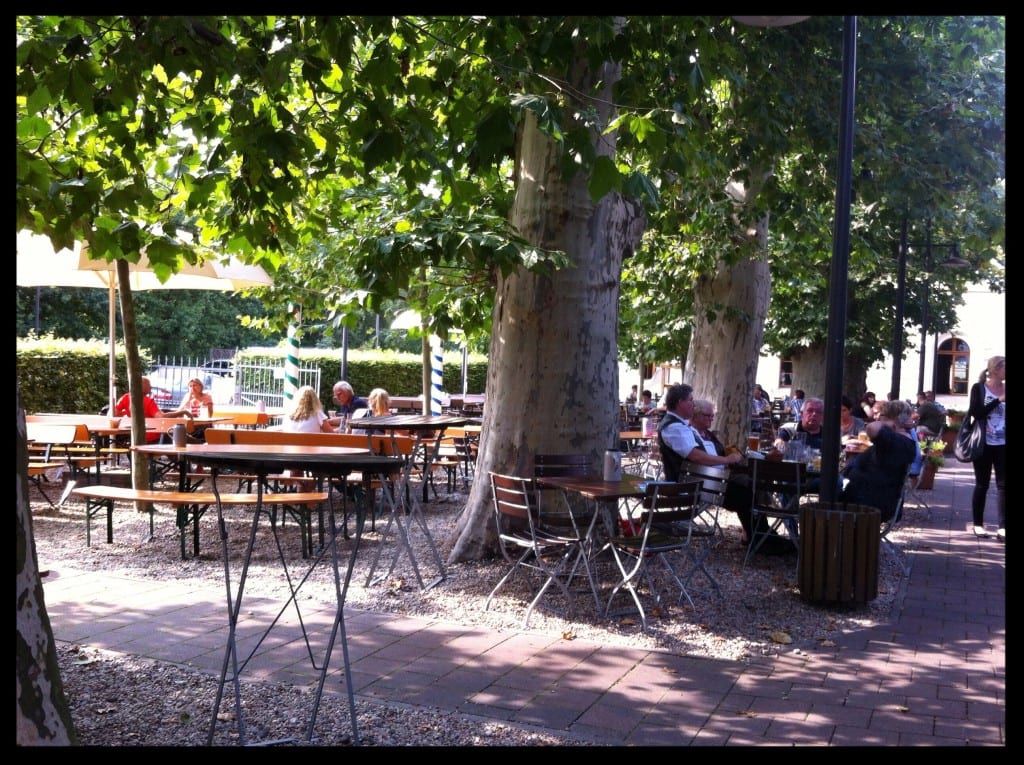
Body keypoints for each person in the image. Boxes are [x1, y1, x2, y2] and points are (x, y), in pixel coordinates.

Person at [839, 399, 919, 523]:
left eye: (881, 416)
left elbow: (872, 428)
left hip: (871, 502)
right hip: (871, 496)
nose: (878, 419)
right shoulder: (898, 439)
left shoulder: (896, 441)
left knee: (827, 492)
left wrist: (888, 422)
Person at [967, 355, 1005, 540]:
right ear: (996, 369)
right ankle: (978, 524)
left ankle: (1002, 527)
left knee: (1003, 485)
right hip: (983, 442)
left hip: (1003, 444)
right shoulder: (979, 388)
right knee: (982, 484)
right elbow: (977, 413)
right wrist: (999, 400)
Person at [113, 376, 177, 443]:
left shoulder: (125, 397)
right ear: (140, 385)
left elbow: (113, 413)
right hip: (150, 437)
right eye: (148, 384)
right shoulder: (148, 401)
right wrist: (181, 412)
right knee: (172, 435)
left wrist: (125, 413)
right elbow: (161, 417)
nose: (151, 387)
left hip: (133, 436)